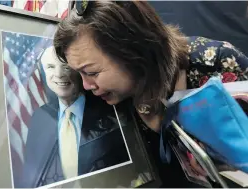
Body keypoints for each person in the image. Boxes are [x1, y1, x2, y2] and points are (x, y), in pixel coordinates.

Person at [53, 1, 248, 187]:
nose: (86, 85)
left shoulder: (216, 64)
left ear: (133, 52)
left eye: (92, 73)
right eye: (79, 74)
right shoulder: (107, 100)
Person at [20, 45, 129, 188]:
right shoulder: (40, 117)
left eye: (65, 67)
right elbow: (32, 174)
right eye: (50, 67)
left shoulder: (109, 109)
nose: (58, 74)